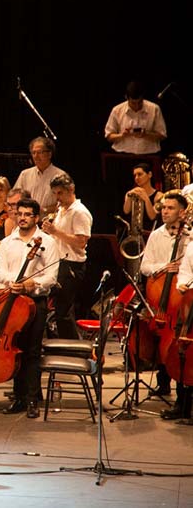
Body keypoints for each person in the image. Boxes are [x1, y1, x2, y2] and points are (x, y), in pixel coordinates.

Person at [0, 198, 59, 418]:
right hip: (11, 302)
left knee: (32, 351)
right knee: (15, 350)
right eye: (19, 213)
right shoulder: (7, 242)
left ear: (36, 218)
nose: (22, 217)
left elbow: (51, 278)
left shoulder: (48, 243)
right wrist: (16, 281)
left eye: (27, 214)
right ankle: (19, 398)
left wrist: (33, 284)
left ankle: (33, 399)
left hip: (35, 303)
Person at [139, 190, 188, 400]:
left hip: (182, 296)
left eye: (170, 208)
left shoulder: (190, 236)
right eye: (163, 208)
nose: (165, 212)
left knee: (177, 340)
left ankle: (183, 389)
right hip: (160, 296)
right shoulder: (156, 235)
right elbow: (144, 267)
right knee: (161, 335)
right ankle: (162, 381)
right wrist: (164, 267)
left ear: (182, 212)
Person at [41, 173, 92, 339]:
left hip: (72, 265)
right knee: (57, 310)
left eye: (60, 193)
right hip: (59, 263)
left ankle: (72, 350)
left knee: (63, 311)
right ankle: (62, 347)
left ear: (71, 190)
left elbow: (80, 242)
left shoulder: (79, 212)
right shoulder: (61, 209)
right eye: (54, 193)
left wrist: (55, 231)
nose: (57, 198)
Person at [166, 214, 193, 422]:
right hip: (188, 305)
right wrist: (181, 284)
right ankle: (181, 404)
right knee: (181, 352)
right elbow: (185, 271)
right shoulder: (192, 246)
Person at [104, 81, 167, 155]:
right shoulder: (117, 110)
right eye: (133, 103)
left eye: (140, 102)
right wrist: (122, 135)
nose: (137, 106)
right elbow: (109, 136)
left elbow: (162, 135)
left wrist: (146, 134)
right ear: (126, 97)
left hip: (148, 155)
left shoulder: (154, 109)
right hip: (122, 154)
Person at [14, 136, 67, 216]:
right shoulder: (24, 174)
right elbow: (14, 198)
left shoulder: (60, 176)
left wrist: (44, 210)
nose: (36, 156)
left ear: (49, 154)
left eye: (39, 152)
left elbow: (66, 203)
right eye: (33, 152)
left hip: (51, 223)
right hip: (27, 222)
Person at [123, 162, 163, 232]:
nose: (137, 178)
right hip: (133, 234)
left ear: (149, 174)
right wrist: (128, 197)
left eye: (140, 174)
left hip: (150, 233)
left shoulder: (159, 195)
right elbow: (126, 211)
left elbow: (152, 216)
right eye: (135, 175)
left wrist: (146, 198)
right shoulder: (131, 193)